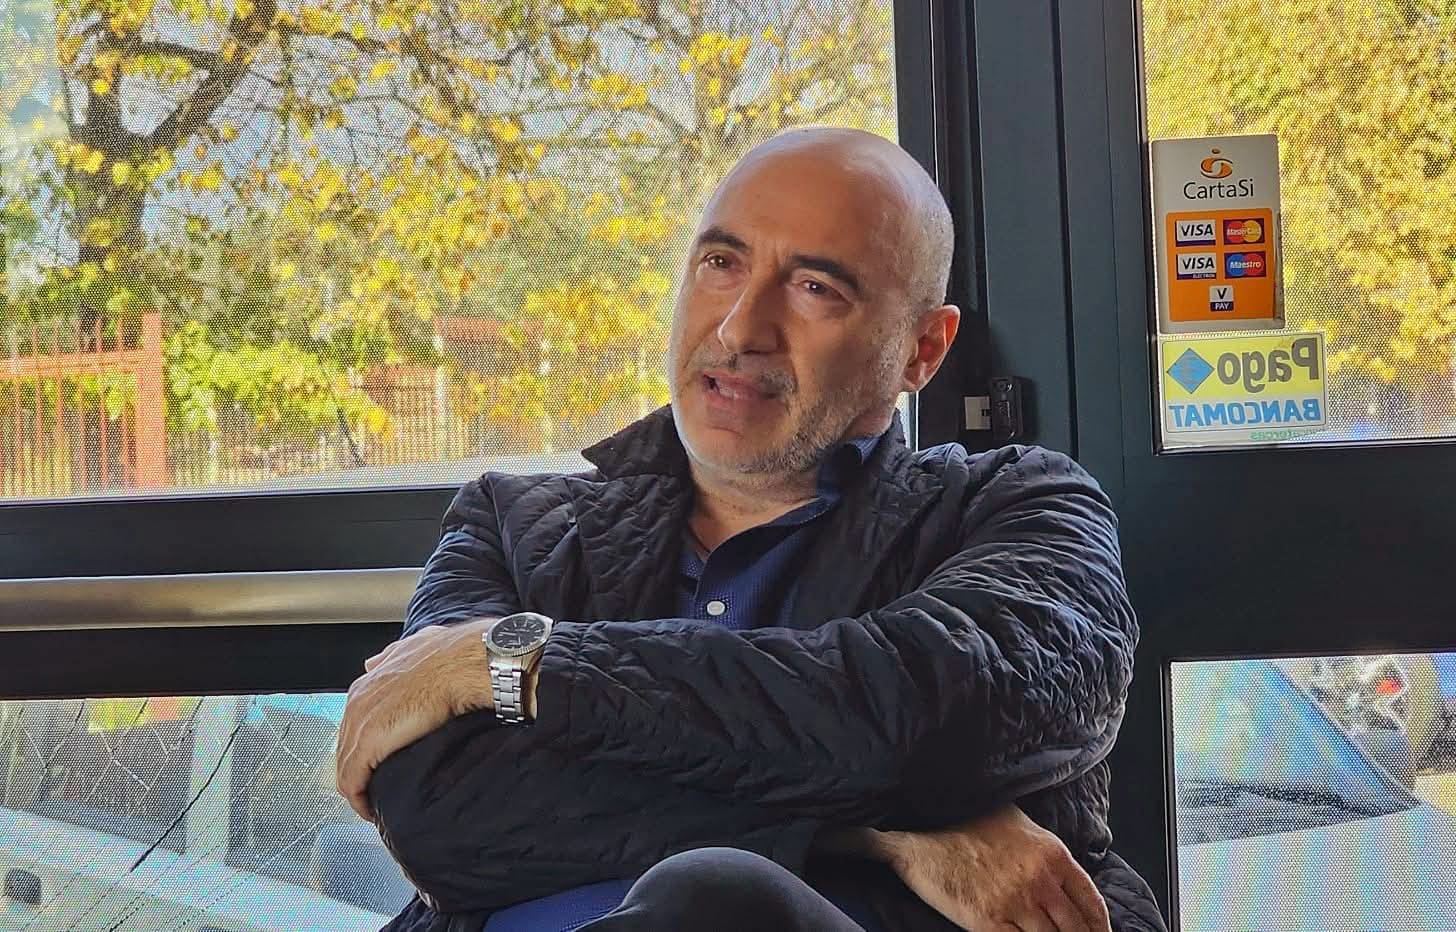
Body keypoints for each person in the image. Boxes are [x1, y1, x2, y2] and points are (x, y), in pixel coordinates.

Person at [335, 126, 1166, 932]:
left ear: (922, 349)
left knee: (713, 899)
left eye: (815, 289)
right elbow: (435, 806)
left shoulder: (1023, 508)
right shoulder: (515, 523)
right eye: (721, 264)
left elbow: (919, 721)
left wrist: (528, 663)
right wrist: (875, 833)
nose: (739, 329)